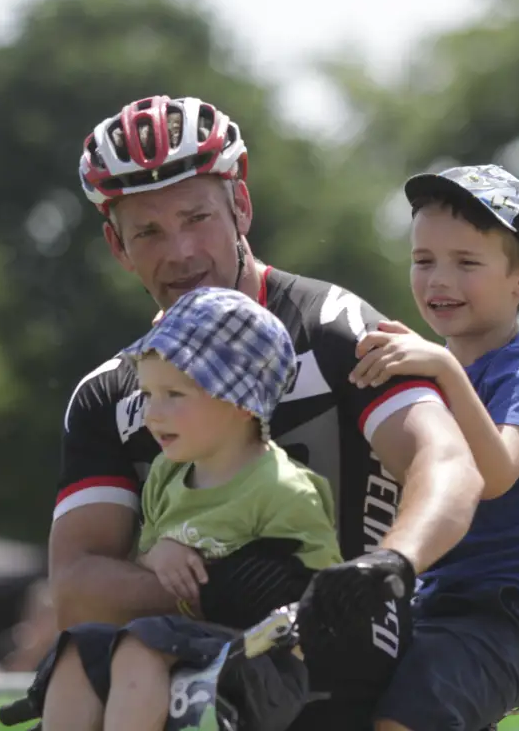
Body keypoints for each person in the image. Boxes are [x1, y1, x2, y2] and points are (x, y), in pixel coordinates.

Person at [43, 95, 482, 730]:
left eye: (198, 217)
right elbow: (77, 586)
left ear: (240, 207)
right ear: (118, 246)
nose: (182, 251)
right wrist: (221, 587)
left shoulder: (336, 329)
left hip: (356, 687)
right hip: (203, 686)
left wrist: (389, 562)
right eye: (149, 232)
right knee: (74, 666)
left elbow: (448, 464)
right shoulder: (108, 395)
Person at [342, 163, 519, 730]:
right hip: (441, 601)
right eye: (423, 260)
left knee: (408, 712)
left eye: (466, 263)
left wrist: (441, 371)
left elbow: (497, 473)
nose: (439, 281)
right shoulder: (431, 373)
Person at [97, 286, 340, 731]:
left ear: (238, 398)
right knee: (79, 650)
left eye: (173, 394)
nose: (152, 414)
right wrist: (158, 554)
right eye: (148, 394)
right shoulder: (163, 477)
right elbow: (145, 559)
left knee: (136, 645)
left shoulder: (285, 489)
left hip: (256, 670)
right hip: (174, 652)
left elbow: (322, 599)